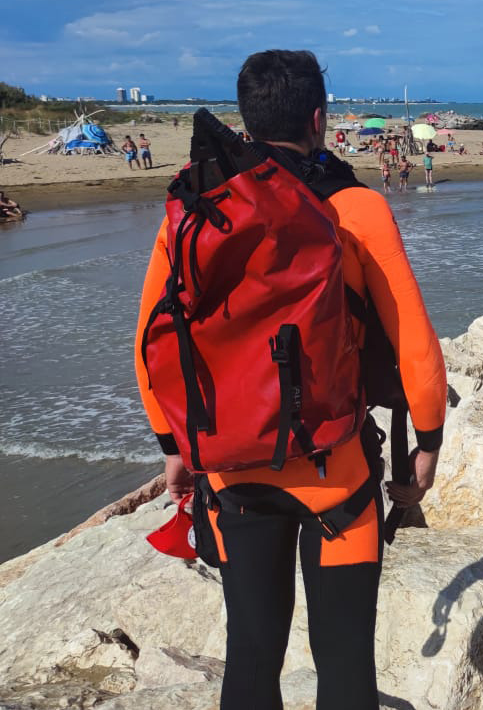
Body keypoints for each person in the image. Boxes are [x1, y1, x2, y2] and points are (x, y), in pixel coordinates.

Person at [134, 49, 448, 709]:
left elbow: (149, 344)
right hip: (335, 473)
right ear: (319, 119)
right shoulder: (356, 207)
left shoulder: (198, 206)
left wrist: (174, 449)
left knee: (249, 659)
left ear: (246, 121)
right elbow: (416, 341)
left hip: (231, 471)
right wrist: (427, 442)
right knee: (342, 669)